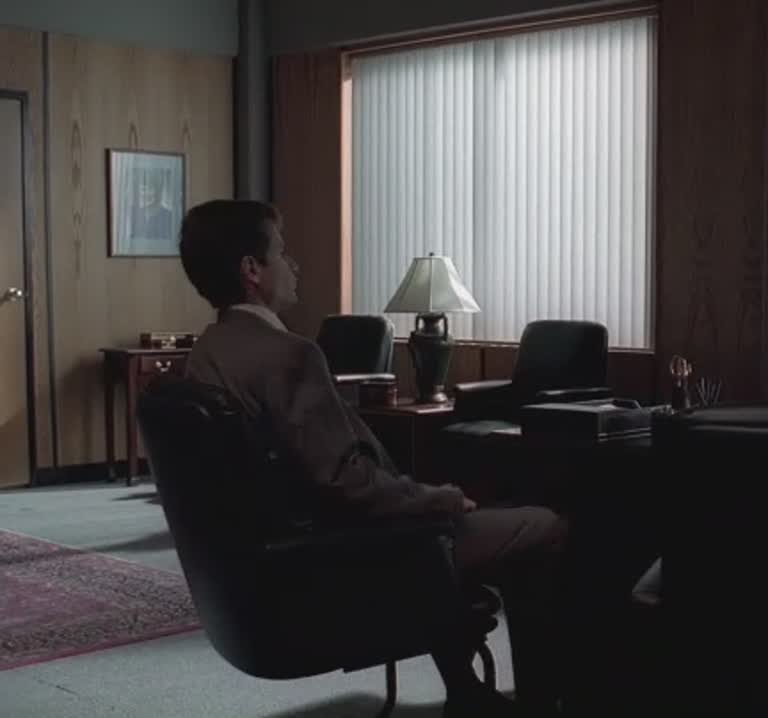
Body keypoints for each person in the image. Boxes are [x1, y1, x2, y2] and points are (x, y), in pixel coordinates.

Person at [178, 199, 565, 718]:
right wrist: (442, 499)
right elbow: (348, 485)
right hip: (343, 558)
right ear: (252, 269)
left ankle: (466, 688)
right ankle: (543, 701)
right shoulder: (288, 355)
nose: (294, 266)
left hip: (265, 570)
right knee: (545, 525)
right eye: (283, 253)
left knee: (434, 528)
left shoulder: (206, 353)